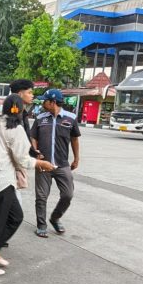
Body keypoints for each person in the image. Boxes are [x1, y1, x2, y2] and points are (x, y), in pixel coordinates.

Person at [0, 95, 55, 275]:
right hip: (3, 180)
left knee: (16, 216)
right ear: (20, 110)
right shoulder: (16, 130)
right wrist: (41, 164)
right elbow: (22, 159)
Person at [30, 88, 81, 238]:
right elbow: (34, 136)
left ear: (52, 102)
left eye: (44, 100)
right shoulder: (40, 118)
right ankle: (41, 225)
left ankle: (55, 218)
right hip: (43, 164)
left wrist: (76, 158)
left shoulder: (71, 118)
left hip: (62, 164)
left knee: (68, 194)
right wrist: (35, 152)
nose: (42, 103)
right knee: (41, 196)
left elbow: (74, 139)